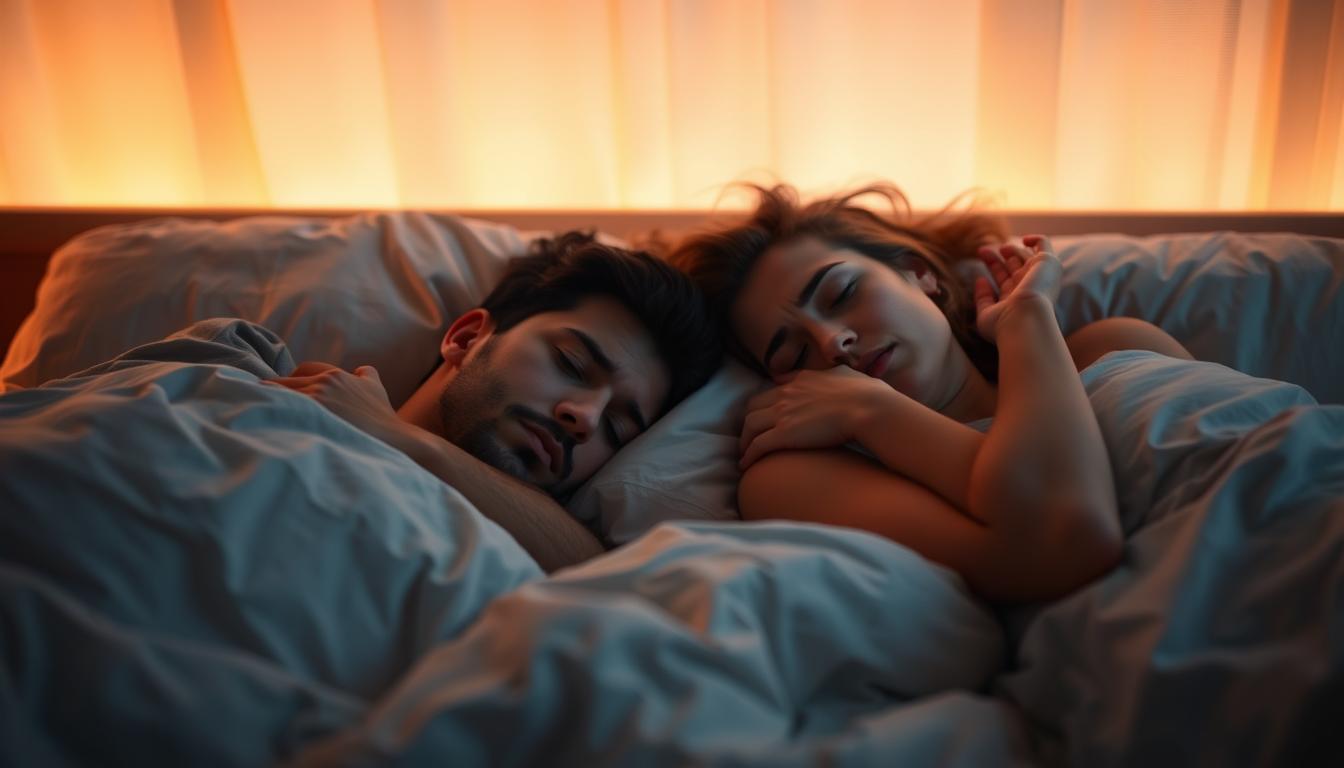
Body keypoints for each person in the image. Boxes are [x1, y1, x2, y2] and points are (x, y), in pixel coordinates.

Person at [669, 183, 1193, 602]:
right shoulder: (793, 479)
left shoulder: (1112, 351)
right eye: (792, 356)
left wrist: (1025, 320)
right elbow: (1066, 541)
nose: (832, 342)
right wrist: (871, 410)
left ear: (920, 275)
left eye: (842, 292)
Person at [269, 231, 721, 571]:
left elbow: (592, 565)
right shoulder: (255, 379)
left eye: (617, 428)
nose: (585, 417)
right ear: (467, 338)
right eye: (571, 362)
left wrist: (395, 436)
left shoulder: (529, 576)